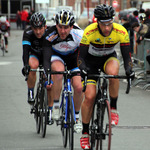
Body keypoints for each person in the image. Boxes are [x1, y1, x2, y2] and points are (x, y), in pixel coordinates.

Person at [77, 4, 135, 149]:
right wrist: (82, 69)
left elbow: (127, 57)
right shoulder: (89, 31)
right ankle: (85, 133)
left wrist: (129, 70)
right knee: (89, 97)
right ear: (97, 22)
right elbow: (80, 58)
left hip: (108, 58)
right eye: (104, 24)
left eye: (110, 23)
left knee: (113, 73)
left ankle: (113, 109)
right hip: (90, 63)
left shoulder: (120, 31)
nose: (107, 28)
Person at [43, 9, 84, 133]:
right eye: (60, 27)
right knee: (59, 72)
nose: (62, 31)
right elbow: (46, 57)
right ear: (56, 25)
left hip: (73, 58)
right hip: (57, 56)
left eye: (66, 27)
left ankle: (77, 118)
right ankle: (55, 105)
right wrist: (47, 72)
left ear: (71, 26)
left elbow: (84, 56)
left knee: (78, 87)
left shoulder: (79, 34)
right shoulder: (50, 34)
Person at [22, 12, 53, 125]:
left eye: (40, 28)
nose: (38, 32)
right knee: (32, 66)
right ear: (32, 27)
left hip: (47, 56)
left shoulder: (50, 32)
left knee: (49, 83)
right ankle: (30, 92)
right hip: (34, 55)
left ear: (45, 26)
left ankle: (50, 111)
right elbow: (25, 51)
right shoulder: (28, 33)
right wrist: (25, 65)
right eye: (35, 29)